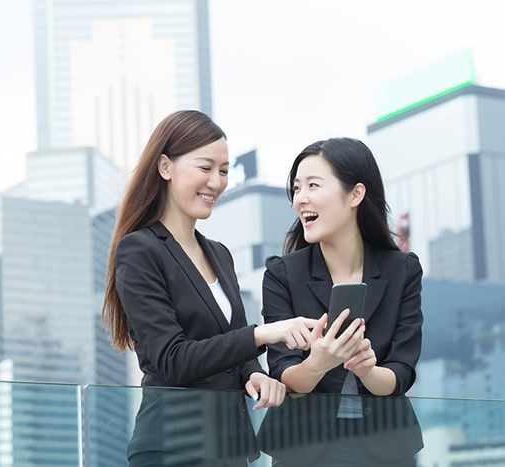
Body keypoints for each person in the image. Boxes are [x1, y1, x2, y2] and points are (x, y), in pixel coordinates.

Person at [102, 110, 318, 466]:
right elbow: (173, 360)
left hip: (229, 448)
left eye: (223, 170)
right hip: (173, 449)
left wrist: (254, 374)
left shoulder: (219, 254)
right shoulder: (140, 250)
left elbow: (234, 345)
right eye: (205, 168)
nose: (216, 182)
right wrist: (264, 334)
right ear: (165, 167)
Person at [258, 137, 424, 466]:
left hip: (386, 448)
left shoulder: (402, 270)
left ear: (356, 194)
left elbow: (402, 371)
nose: (300, 199)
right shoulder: (282, 274)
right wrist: (318, 362)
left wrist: (367, 370)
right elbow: (283, 374)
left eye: (313, 185)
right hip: (302, 448)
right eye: (296, 188)